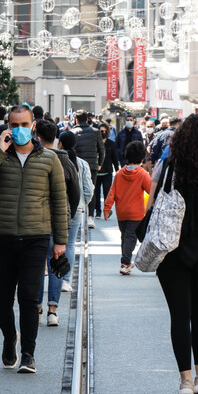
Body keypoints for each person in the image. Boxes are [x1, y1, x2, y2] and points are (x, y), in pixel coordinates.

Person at [0, 105, 68, 374]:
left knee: (28, 297)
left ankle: (28, 354)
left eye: (24, 124)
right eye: (14, 125)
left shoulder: (49, 159)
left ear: (33, 126)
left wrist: (60, 242)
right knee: (2, 299)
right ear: (7, 126)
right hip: (3, 236)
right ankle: (9, 338)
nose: (19, 130)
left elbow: (60, 202)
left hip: (36, 237)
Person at [148, 114, 198, 394]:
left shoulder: (168, 165)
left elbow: (152, 202)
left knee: (179, 315)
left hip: (172, 248)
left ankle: (185, 382)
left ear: (179, 142)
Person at [33, 120, 80, 325]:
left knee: (35, 266)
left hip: (37, 220)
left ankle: (37, 306)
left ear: (38, 137)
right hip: (60, 220)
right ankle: (52, 310)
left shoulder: (34, 159)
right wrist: (68, 215)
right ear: (56, 138)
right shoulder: (67, 161)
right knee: (56, 263)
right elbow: (75, 193)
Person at [47, 130, 92, 323]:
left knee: (47, 256)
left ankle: (40, 306)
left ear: (61, 144)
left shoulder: (56, 160)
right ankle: (65, 280)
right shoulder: (82, 164)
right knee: (69, 246)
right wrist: (82, 204)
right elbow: (88, 189)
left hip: (53, 212)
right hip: (77, 209)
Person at [103, 140, 151, 274]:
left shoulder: (119, 174)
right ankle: (125, 263)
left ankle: (127, 262)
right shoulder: (142, 174)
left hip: (121, 212)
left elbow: (112, 192)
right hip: (136, 212)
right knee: (130, 237)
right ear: (142, 158)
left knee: (125, 236)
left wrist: (107, 208)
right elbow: (151, 191)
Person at [71, 110, 104, 228]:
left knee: (76, 189)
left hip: (77, 165)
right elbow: (101, 150)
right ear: (87, 119)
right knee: (92, 189)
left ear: (76, 119)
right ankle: (90, 217)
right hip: (92, 165)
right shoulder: (96, 132)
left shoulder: (73, 132)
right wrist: (99, 163)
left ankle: (76, 214)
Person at [91, 122, 119, 222]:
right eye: (101, 131)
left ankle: (107, 210)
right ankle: (97, 210)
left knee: (107, 192)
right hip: (97, 172)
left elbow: (115, 158)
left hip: (107, 172)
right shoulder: (94, 143)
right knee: (96, 192)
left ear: (107, 132)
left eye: (104, 131)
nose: (102, 133)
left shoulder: (111, 144)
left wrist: (117, 171)